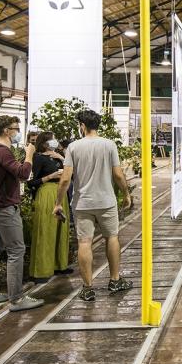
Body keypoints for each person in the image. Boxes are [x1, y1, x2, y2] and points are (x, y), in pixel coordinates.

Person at [53, 109, 133, 302]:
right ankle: (115, 280)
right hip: (106, 202)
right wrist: (126, 194)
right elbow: (118, 175)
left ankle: (88, 288)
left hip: (82, 203)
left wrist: (58, 203)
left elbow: (65, 179)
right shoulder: (109, 145)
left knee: (84, 242)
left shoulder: (73, 147)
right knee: (111, 237)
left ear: (82, 125)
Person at [0, 115, 44, 312]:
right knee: (16, 250)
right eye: (16, 128)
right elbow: (23, 173)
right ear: (7, 131)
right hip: (5, 208)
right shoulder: (2, 151)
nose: (18, 132)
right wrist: (30, 155)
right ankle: (16, 299)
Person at [28, 131, 71, 283]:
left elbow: (70, 173)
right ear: (45, 142)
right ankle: (41, 271)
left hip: (61, 193)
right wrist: (50, 176)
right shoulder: (38, 158)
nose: (55, 141)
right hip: (46, 194)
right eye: (52, 139)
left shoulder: (58, 156)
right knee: (45, 230)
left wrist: (62, 158)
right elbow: (31, 182)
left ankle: (60, 265)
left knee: (61, 230)